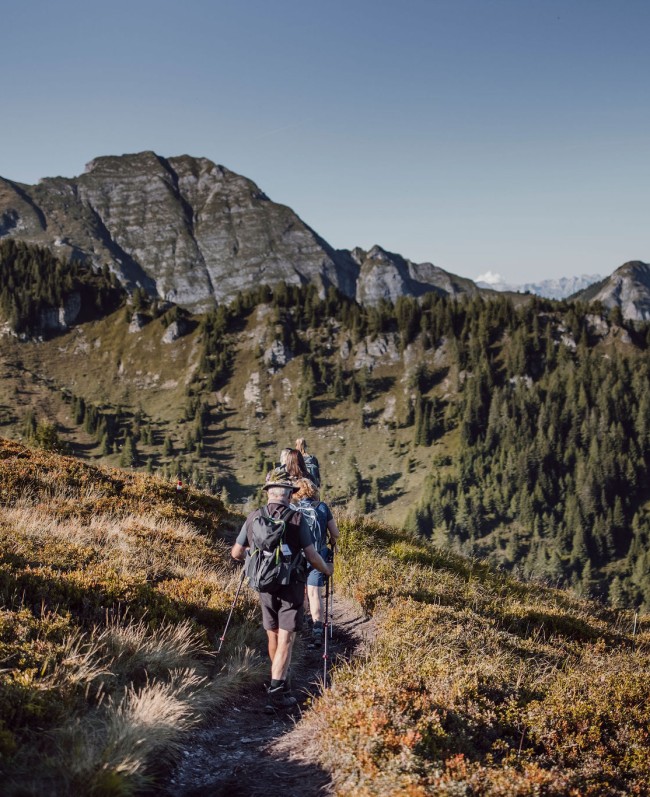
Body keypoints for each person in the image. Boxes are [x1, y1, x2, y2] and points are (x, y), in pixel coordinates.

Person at [231, 468, 333, 710]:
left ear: (268, 494)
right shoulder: (298, 520)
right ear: (289, 494)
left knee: (273, 634)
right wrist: (327, 570)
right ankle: (277, 691)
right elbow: (312, 556)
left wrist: (258, 556)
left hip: (263, 585)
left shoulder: (254, 517)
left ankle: (280, 681)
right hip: (291, 586)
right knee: (287, 637)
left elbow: (235, 553)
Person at [292, 478, 339, 648]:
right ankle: (317, 629)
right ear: (313, 490)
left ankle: (300, 625)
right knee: (314, 593)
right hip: (318, 556)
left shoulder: (293, 509)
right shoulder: (322, 507)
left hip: (297, 557)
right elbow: (335, 533)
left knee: (299, 591)